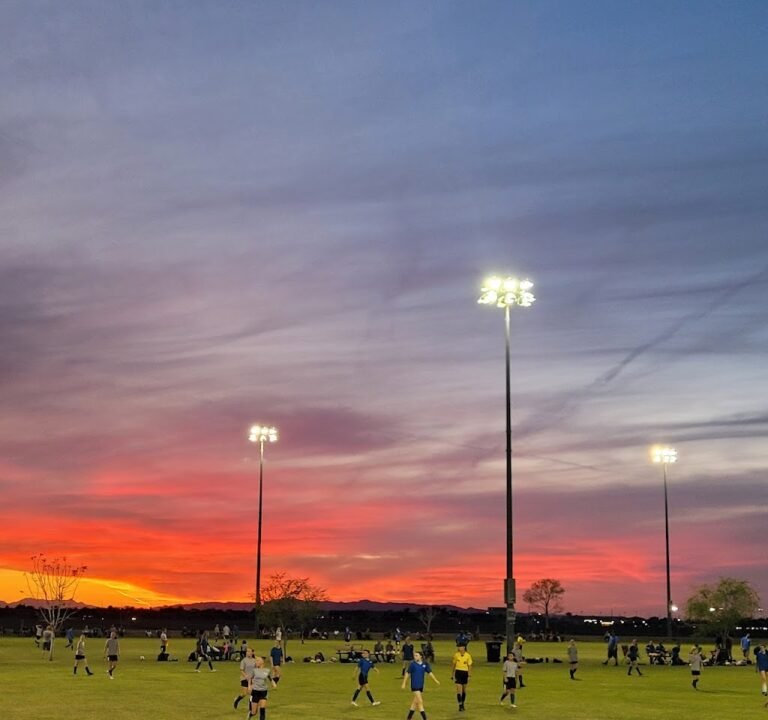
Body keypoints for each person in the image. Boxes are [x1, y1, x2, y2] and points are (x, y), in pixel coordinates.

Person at [401, 650, 439, 720]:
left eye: (416, 655)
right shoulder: (412, 664)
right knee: (420, 701)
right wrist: (404, 683)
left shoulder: (425, 664)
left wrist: (435, 680)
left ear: (421, 656)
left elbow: (429, 672)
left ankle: (409, 718)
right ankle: (425, 718)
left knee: (415, 703)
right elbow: (407, 673)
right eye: (414, 656)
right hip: (415, 686)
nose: (415, 657)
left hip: (421, 686)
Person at [247, 655, 277, 720]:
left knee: (262, 708)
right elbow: (250, 678)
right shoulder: (254, 670)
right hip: (255, 692)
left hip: (263, 691)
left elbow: (270, 678)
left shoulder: (267, 671)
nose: (256, 662)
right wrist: (249, 686)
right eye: (256, 661)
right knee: (254, 712)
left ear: (262, 662)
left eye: (257, 660)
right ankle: (250, 714)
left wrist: (273, 683)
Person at [451, 644, 472, 711]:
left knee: (464, 690)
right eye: (459, 647)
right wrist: (452, 674)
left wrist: (469, 675)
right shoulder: (456, 655)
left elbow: (470, 666)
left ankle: (462, 703)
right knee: (459, 689)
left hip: (465, 673)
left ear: (464, 648)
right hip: (458, 672)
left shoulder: (468, 655)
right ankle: (460, 705)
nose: (460, 648)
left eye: (461, 647)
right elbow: (454, 665)